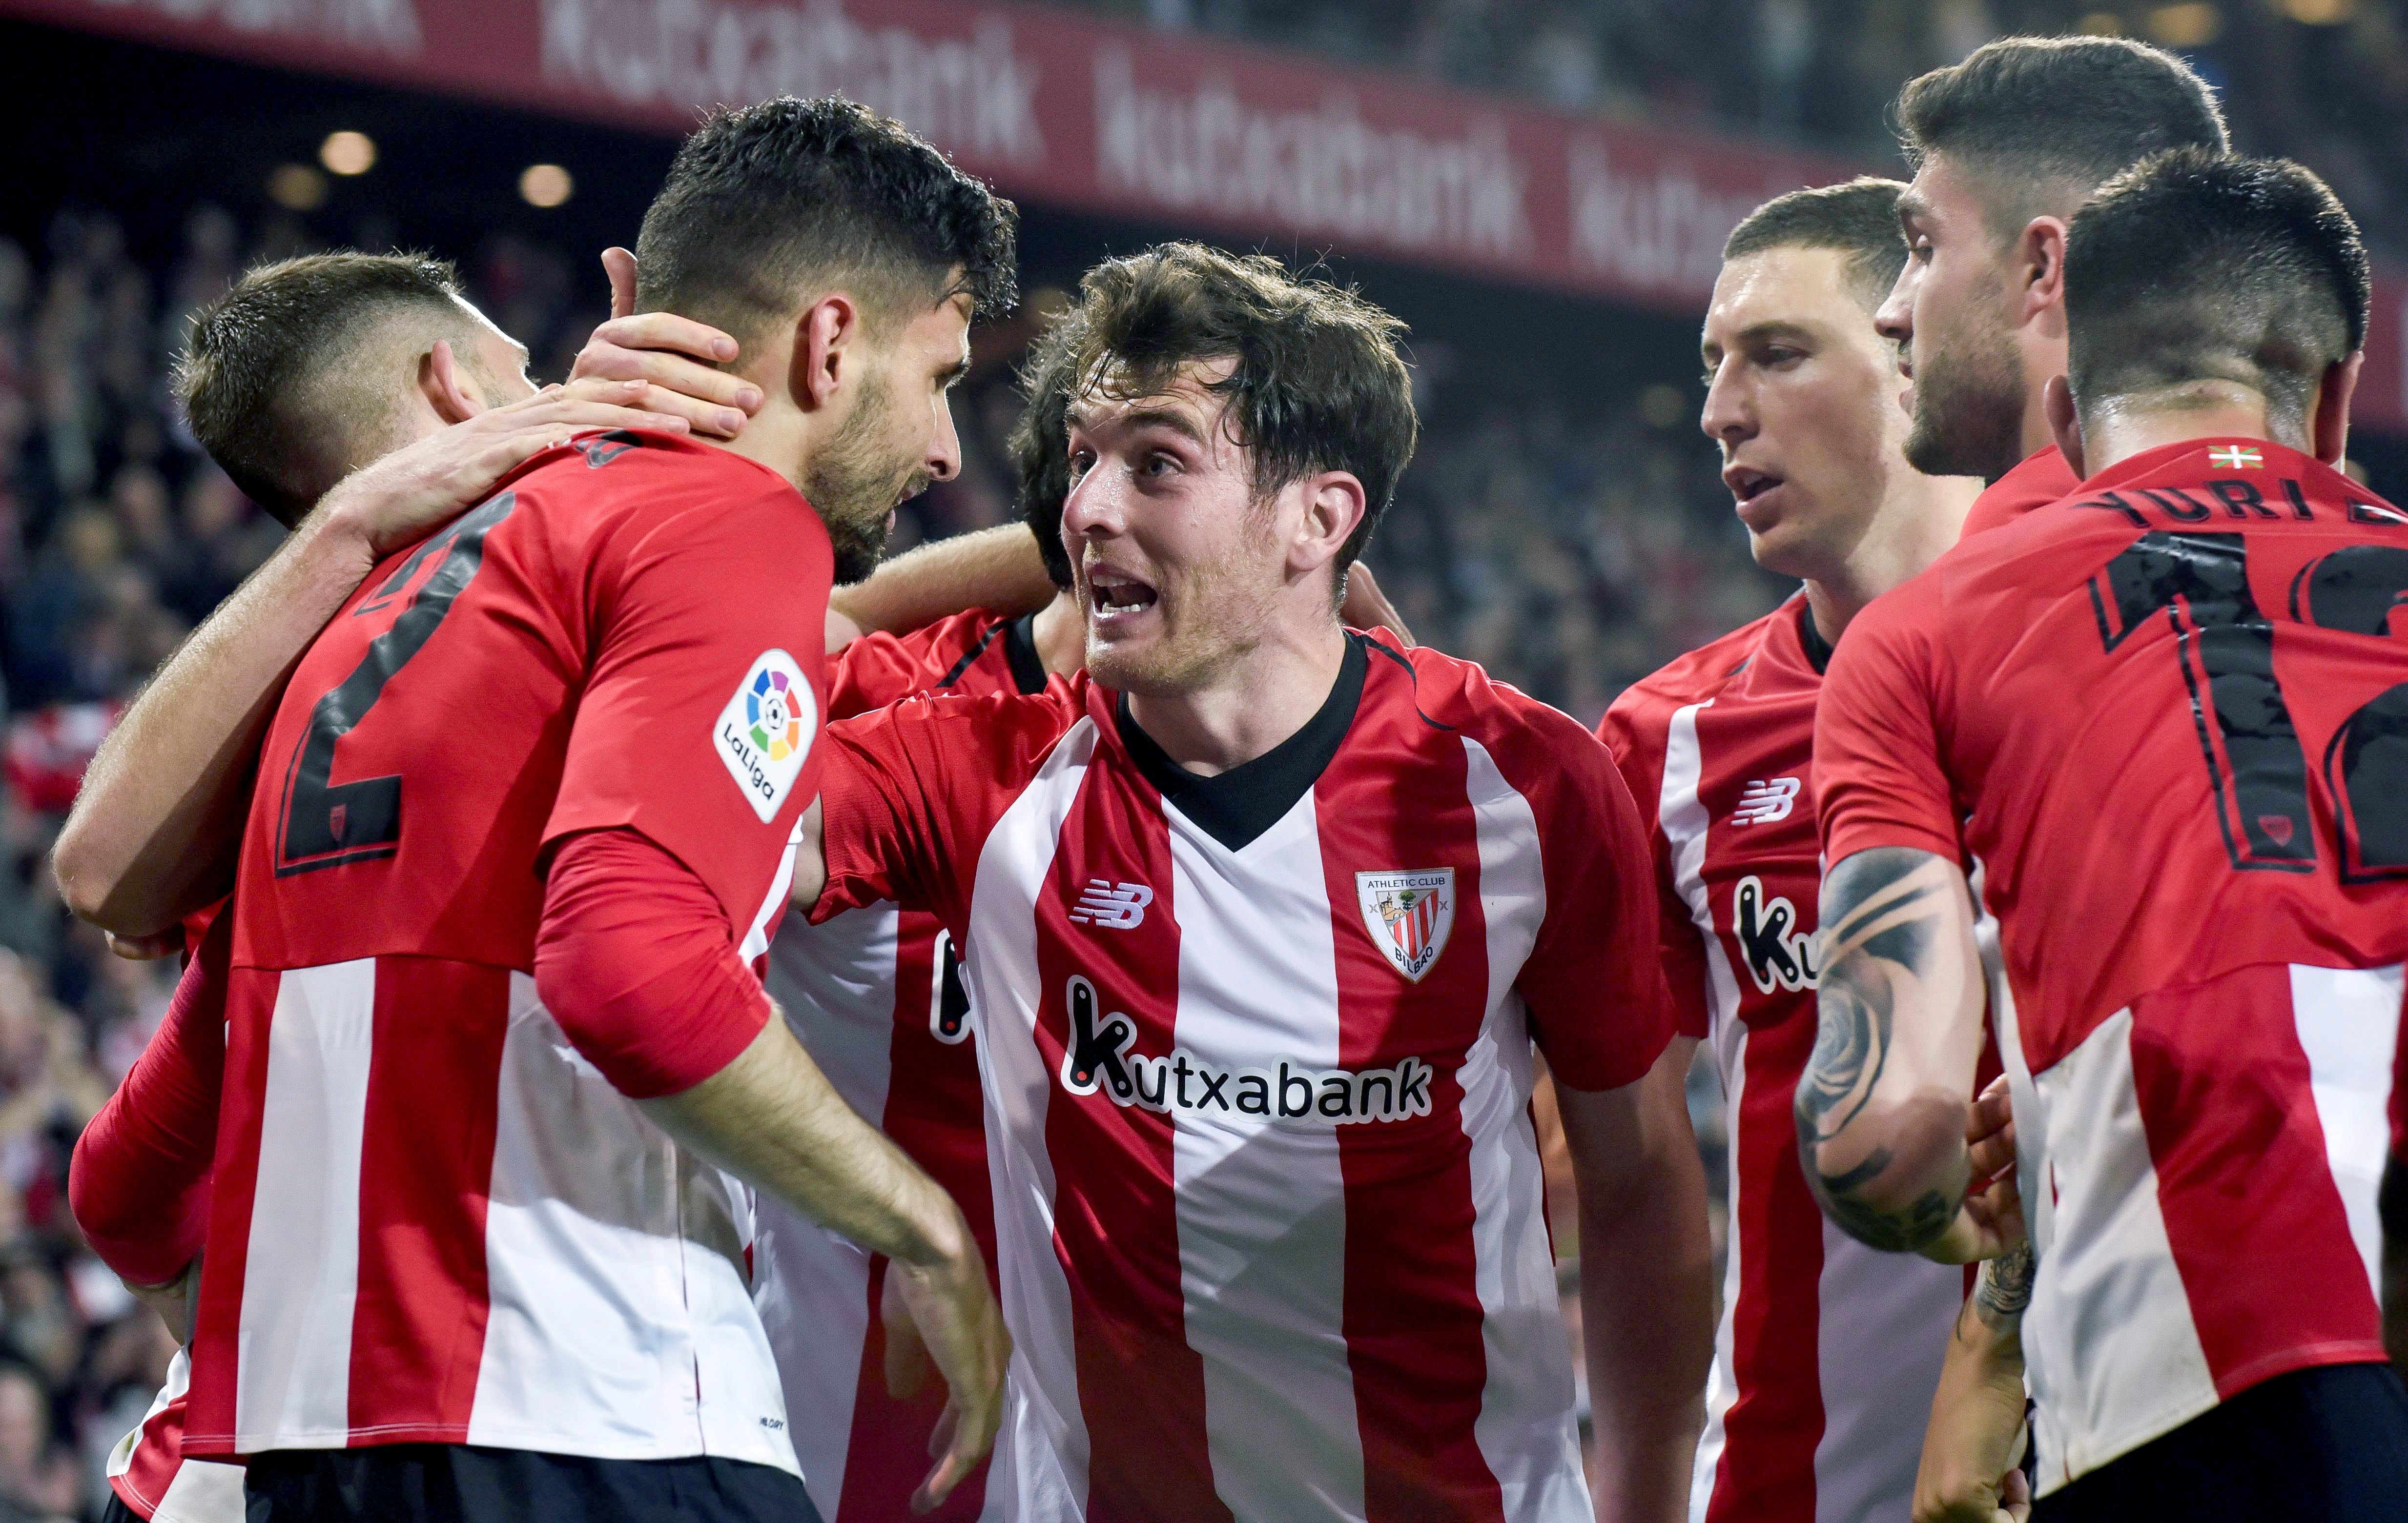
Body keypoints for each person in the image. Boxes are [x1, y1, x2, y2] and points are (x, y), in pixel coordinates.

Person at [93, 96, 1018, 1523]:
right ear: (832, 345)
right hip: (589, 1408)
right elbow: (635, 965)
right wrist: (928, 1230)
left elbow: (124, 1143)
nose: (949, 447)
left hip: (307, 1446)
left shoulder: (370, 615)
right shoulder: (719, 523)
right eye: (941, 376)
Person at [779, 240, 1710, 1519]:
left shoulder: (1521, 781)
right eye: (1081, 460)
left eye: (1156, 462)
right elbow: (702, 778)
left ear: (1318, 518)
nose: (1088, 508)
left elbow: (1643, 1187)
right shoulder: (976, 772)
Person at [1808, 148, 2408, 1518]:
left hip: (2215, 1338)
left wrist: (1960, 1238)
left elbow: (1878, 1129)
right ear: (2329, 401)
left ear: (2068, 408)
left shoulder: (1925, 633)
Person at [1599, 178, 1986, 1523]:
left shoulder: (2103, 662)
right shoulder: (1665, 739)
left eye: (1774, 354)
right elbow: (1619, 1172)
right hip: (1795, 1485)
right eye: (1710, 367)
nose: (1717, 413)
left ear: (1911, 353)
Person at [1873, 36, 2229, 537]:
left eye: (1926, 248)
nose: (1889, 314)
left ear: (2040, 267)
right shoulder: (2357, 577)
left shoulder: (1959, 610)